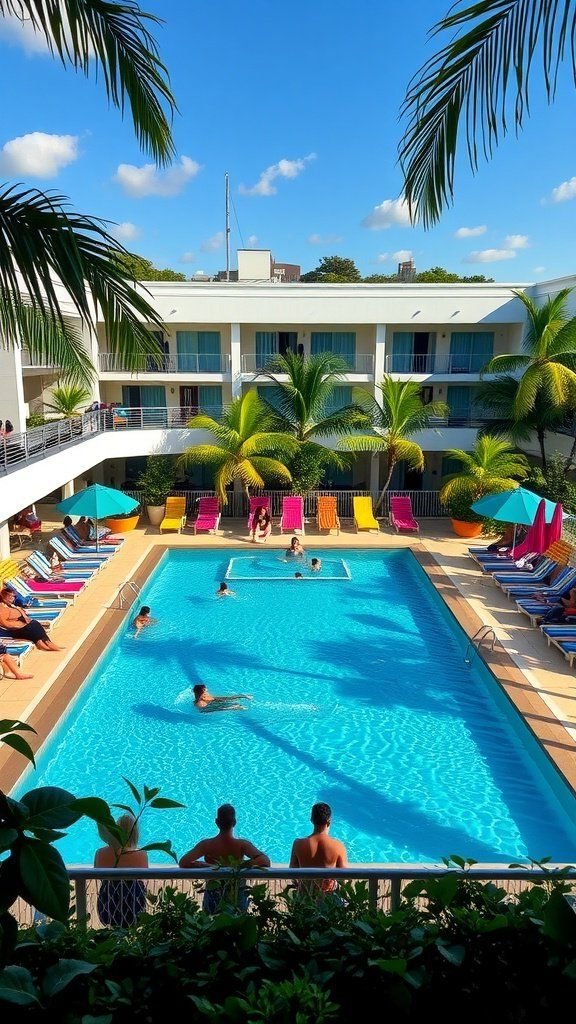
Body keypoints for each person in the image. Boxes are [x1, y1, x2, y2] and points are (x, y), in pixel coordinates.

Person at [179, 803, 270, 913]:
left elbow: (183, 862)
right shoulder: (242, 845)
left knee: (211, 922)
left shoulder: (206, 845)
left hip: (213, 893)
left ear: (217, 822)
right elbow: (265, 861)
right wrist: (239, 866)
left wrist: (209, 866)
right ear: (234, 822)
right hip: (236, 894)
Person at [95, 813, 148, 928]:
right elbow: (143, 876)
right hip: (133, 903)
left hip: (108, 902)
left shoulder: (100, 853)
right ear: (135, 834)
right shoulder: (142, 855)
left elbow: (97, 875)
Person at [290, 802, 348, 897]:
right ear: (329, 821)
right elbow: (345, 878)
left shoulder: (298, 844)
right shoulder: (338, 846)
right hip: (327, 899)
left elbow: (292, 873)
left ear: (312, 820)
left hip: (305, 897)